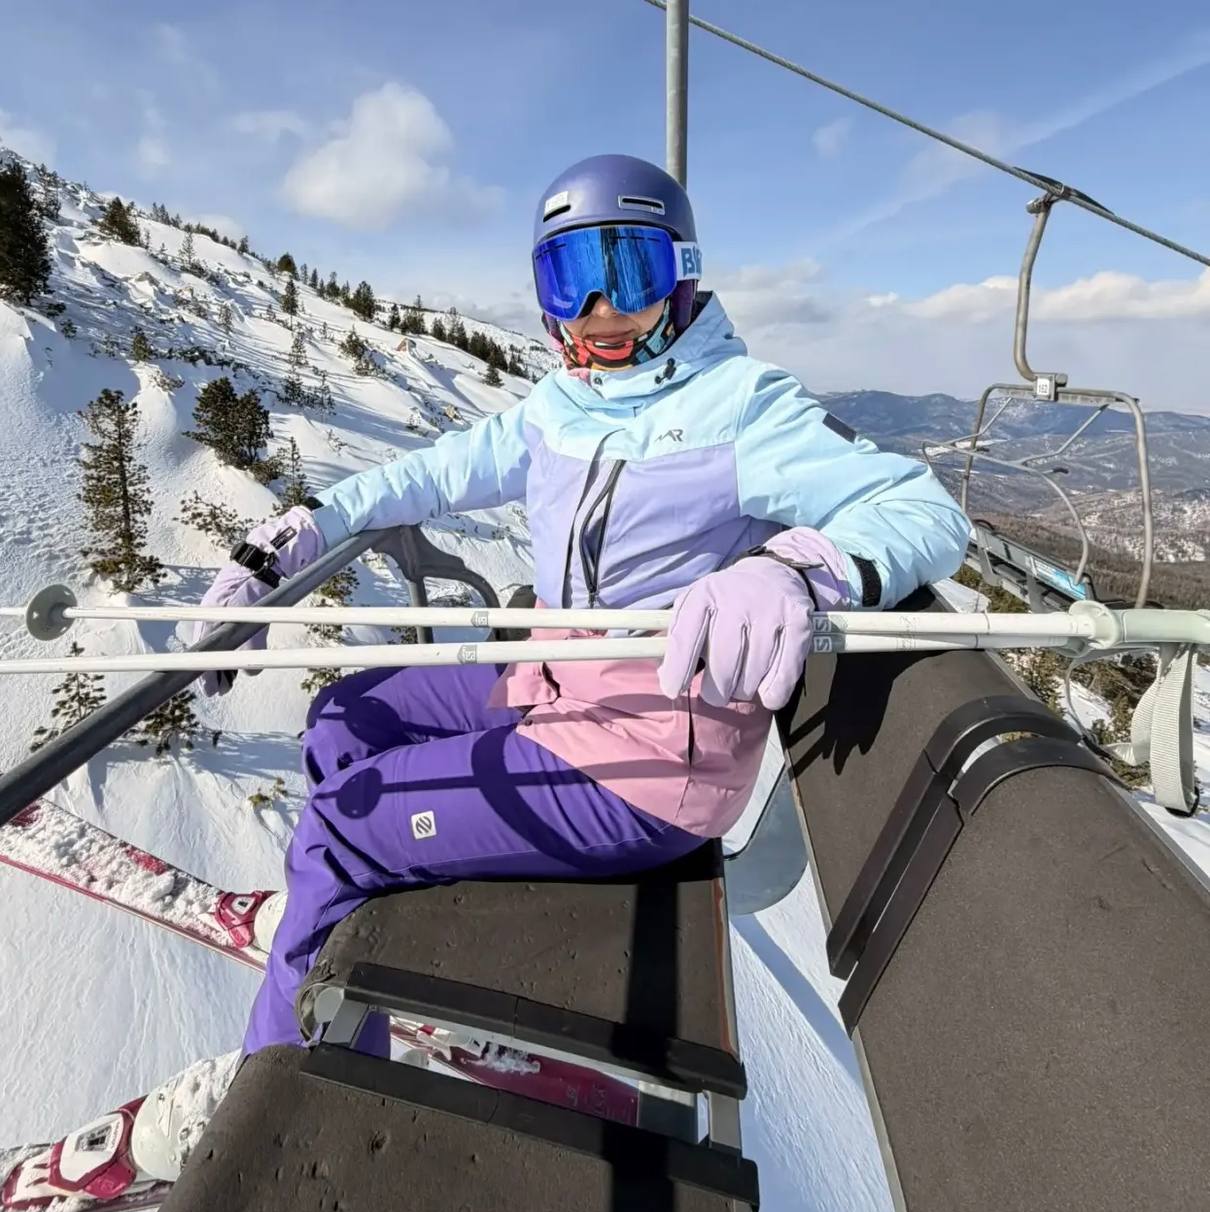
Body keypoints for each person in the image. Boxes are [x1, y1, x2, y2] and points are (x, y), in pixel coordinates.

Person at [192, 153, 971, 1057]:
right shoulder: (562, 405)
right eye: (572, 279)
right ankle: (353, 931)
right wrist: (300, 534)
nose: (601, 313)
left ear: (679, 274)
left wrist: (795, 569)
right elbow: (433, 472)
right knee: (342, 717)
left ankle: (294, 1065)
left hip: (646, 763)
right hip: (552, 684)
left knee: (339, 826)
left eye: (628, 273)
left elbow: (922, 507)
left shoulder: (742, 408)